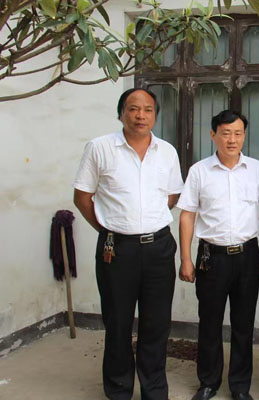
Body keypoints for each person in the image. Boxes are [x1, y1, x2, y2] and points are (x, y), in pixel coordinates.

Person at [73, 88, 184, 400]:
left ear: (155, 115)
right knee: (118, 322)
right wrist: (109, 228)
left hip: (159, 248)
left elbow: (172, 195)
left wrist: (145, 219)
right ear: (121, 113)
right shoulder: (100, 148)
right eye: (133, 109)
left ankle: (154, 390)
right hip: (117, 249)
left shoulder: (167, 151)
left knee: (156, 324)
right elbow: (82, 197)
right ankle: (119, 389)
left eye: (148, 109)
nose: (140, 116)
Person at [177, 110, 259, 400]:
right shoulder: (199, 171)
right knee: (209, 322)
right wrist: (186, 258)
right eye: (225, 133)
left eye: (237, 133)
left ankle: (240, 386)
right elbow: (187, 215)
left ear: (244, 135)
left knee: (243, 324)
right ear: (213, 135)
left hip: (247, 255)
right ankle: (208, 382)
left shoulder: (257, 170)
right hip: (211, 257)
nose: (232, 139)